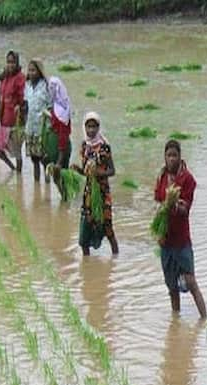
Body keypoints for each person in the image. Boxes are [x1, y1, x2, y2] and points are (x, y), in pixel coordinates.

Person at [154, 140, 206, 318]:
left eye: (174, 155)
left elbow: (186, 209)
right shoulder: (161, 177)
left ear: (180, 156)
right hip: (165, 240)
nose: (171, 159)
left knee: (191, 281)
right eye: (168, 155)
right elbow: (158, 202)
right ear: (164, 157)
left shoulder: (187, 179)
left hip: (181, 239)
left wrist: (174, 204)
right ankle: (175, 321)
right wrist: (159, 230)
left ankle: (204, 318)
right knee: (171, 286)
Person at [71, 112, 119, 256]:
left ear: (98, 128)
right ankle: (87, 264)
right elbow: (86, 173)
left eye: (94, 127)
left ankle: (115, 257)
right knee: (85, 231)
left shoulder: (104, 147)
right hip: (89, 194)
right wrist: (78, 170)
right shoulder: (84, 146)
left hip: (103, 192)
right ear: (84, 127)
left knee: (107, 227)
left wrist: (99, 173)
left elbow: (112, 171)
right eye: (88, 126)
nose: (91, 130)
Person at [0, 51, 25, 172]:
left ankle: (19, 178)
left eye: (13, 62)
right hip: (4, 121)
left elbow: (23, 100)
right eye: (8, 62)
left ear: (17, 63)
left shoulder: (20, 78)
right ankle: (12, 167)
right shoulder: (5, 78)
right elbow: (2, 101)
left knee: (17, 153)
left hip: (15, 123)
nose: (10, 65)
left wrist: (20, 113)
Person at [43, 76, 72, 192]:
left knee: (60, 177)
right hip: (53, 147)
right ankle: (64, 201)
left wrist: (59, 161)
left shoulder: (62, 111)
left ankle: (65, 200)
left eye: (52, 88)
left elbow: (63, 136)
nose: (50, 91)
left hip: (61, 150)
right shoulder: (55, 105)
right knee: (57, 178)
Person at [23, 59, 49, 182]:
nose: (31, 73)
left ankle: (48, 183)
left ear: (39, 72)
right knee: (34, 160)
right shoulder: (27, 86)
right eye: (29, 70)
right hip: (30, 127)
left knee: (44, 159)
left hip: (41, 129)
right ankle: (37, 185)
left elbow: (50, 107)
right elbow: (25, 105)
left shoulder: (46, 86)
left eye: (33, 70)